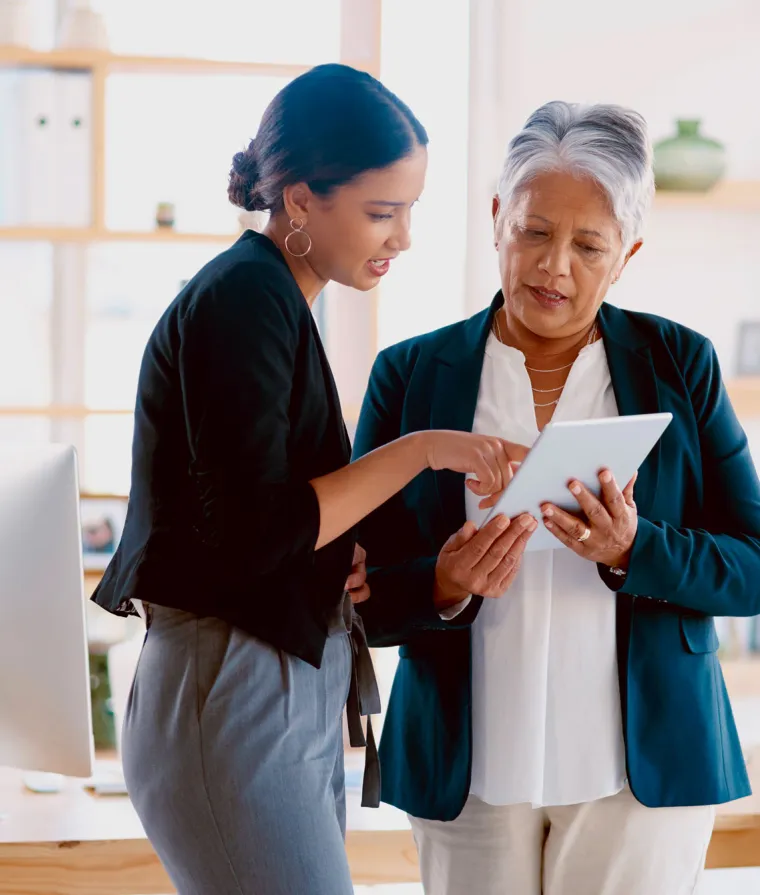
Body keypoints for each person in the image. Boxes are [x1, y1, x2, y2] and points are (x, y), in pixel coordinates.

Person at [90, 64, 523, 895]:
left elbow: (265, 522)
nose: (401, 238)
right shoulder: (244, 300)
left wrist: (329, 559)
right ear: (297, 199)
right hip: (233, 689)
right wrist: (422, 448)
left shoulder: (274, 299)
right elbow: (256, 528)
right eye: (380, 212)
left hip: (265, 684)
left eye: (409, 212)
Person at [352, 100, 760, 895]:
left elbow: (754, 565)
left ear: (627, 253)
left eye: (589, 245)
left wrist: (634, 549)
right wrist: (443, 582)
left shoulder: (683, 363)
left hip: (639, 774)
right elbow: (354, 594)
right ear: (498, 217)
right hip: (466, 768)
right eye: (535, 231)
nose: (554, 265)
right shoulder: (410, 374)